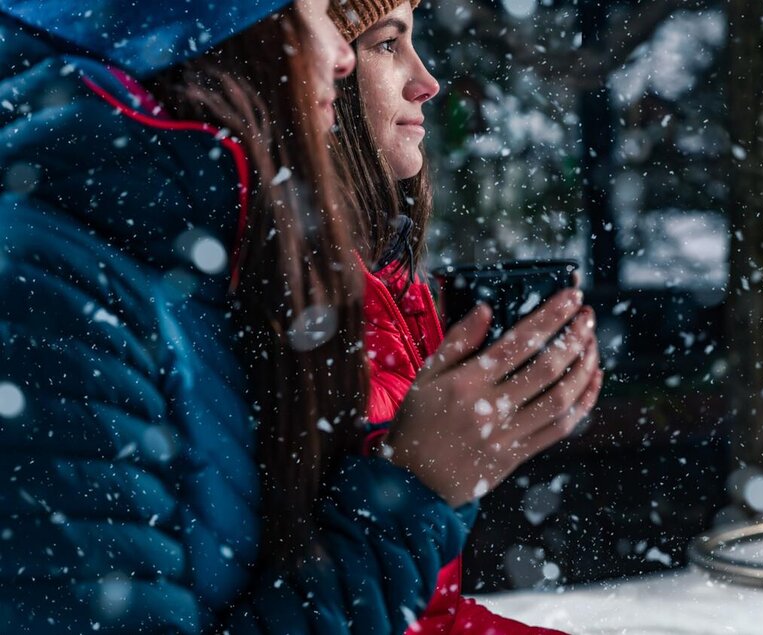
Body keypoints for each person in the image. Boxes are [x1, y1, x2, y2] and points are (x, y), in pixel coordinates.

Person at [0, 0, 599, 633]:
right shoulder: (58, 292)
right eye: (315, 13)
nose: (339, 55)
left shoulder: (194, 273)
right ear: (228, 30)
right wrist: (416, 489)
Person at [328, 1, 603, 633]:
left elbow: (427, 613)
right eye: (387, 45)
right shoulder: (280, 300)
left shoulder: (397, 290)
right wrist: (420, 483)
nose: (426, 82)